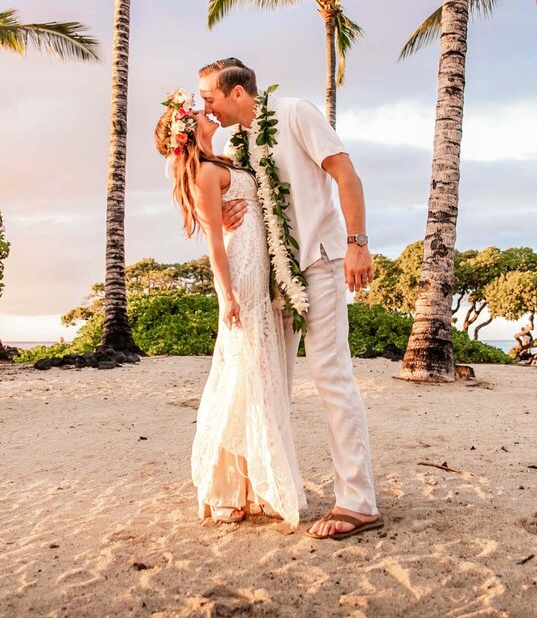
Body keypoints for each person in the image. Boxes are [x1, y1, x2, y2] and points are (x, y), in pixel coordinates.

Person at [198, 58, 384, 540]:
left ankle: (358, 501)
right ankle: (262, 486)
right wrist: (228, 214)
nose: (206, 107)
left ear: (237, 93)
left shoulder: (296, 112)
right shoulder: (236, 144)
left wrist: (357, 243)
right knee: (268, 380)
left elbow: (347, 176)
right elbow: (237, 197)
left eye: (210, 97)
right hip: (271, 278)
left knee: (331, 375)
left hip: (320, 261)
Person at [155, 89, 305, 530]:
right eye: (196, 113)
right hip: (240, 275)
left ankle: (250, 488)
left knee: (254, 377)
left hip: (257, 269)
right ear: (187, 132)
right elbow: (214, 243)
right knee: (242, 374)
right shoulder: (203, 171)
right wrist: (226, 295)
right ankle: (227, 489)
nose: (206, 112)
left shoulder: (222, 163)